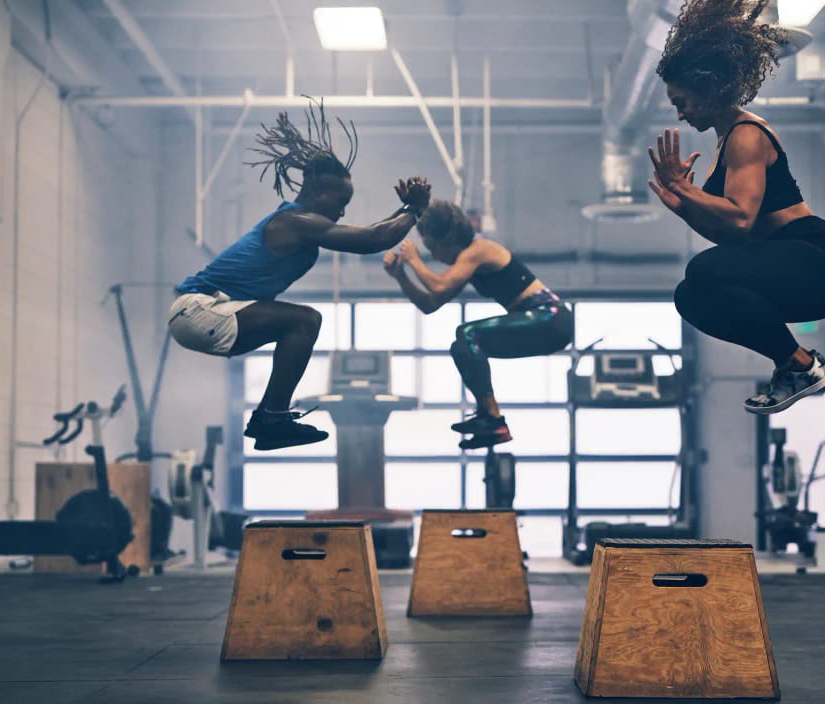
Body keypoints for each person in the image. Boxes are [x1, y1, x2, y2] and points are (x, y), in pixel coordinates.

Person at [647, 0, 825, 414]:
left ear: (707, 88)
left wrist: (690, 192)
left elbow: (742, 220)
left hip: (824, 261)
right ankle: (796, 363)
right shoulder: (725, 143)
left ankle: (798, 366)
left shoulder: (747, 135)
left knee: (703, 271)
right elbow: (732, 238)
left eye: (682, 101)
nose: (680, 113)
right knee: (691, 295)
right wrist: (685, 204)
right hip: (796, 268)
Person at [169, 104, 431, 450]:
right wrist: (413, 210)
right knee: (305, 320)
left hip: (209, 314)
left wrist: (408, 210)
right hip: (198, 312)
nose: (342, 210)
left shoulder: (303, 225)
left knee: (296, 324)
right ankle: (271, 417)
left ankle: (270, 416)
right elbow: (373, 239)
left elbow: (376, 232)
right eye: (341, 201)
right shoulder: (294, 222)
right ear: (319, 192)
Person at [383, 200, 573, 449]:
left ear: (446, 241)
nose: (436, 258)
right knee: (461, 347)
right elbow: (431, 303)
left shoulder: (478, 250)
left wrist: (414, 260)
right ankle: (491, 423)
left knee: (467, 333)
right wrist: (401, 276)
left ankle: (492, 416)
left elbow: (439, 285)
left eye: (432, 249)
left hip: (550, 316)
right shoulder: (468, 261)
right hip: (545, 325)